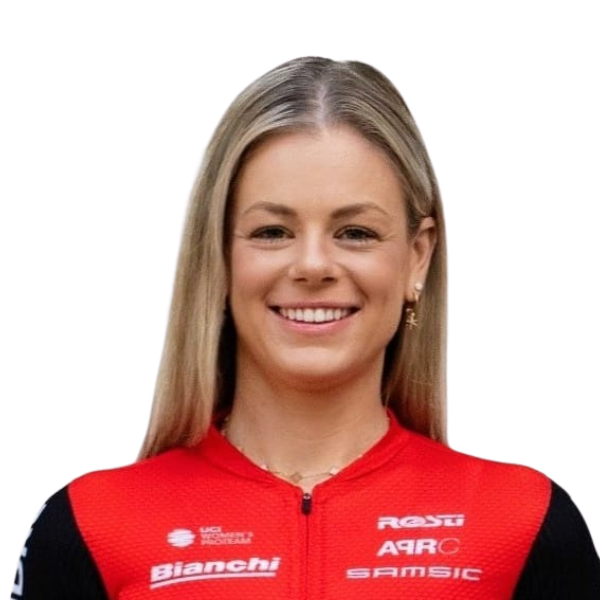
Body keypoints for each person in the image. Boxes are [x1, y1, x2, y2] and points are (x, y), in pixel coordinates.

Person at [10, 56, 600, 600]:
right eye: (272, 232)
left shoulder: (524, 523)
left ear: (416, 258)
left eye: (355, 233)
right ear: (218, 256)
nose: (313, 265)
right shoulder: (90, 525)